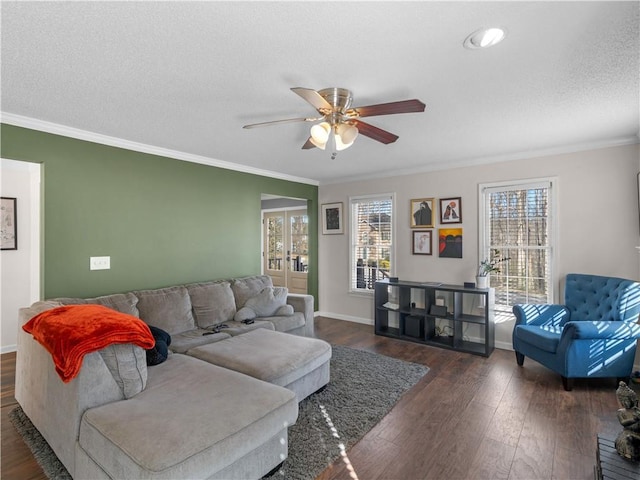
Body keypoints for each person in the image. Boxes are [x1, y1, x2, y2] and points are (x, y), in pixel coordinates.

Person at [614, 381, 640, 461]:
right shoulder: (621, 412)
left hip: (637, 434)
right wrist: (634, 419)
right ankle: (629, 454)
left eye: (626, 400)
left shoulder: (636, 411)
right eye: (622, 401)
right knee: (627, 440)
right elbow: (623, 422)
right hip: (627, 433)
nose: (624, 403)